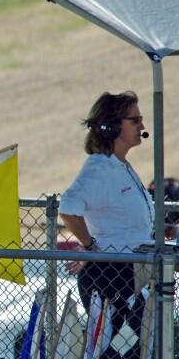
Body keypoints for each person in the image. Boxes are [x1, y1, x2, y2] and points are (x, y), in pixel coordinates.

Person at [59, 90, 153, 313]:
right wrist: (91, 248)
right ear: (112, 126)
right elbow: (68, 209)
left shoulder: (120, 166)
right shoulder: (100, 168)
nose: (142, 126)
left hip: (130, 271)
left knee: (135, 346)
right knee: (119, 347)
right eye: (135, 120)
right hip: (111, 275)